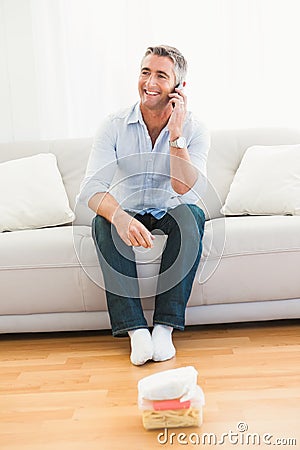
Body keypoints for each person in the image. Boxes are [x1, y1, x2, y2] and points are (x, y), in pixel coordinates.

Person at [78, 45, 210, 366]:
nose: (149, 82)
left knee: (193, 215)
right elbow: (92, 189)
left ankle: (164, 328)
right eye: (145, 72)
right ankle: (136, 330)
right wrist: (120, 218)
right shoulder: (113, 125)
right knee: (102, 221)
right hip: (130, 208)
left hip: (170, 209)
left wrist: (175, 133)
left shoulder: (195, 129)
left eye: (161, 76)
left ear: (178, 88)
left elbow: (182, 187)